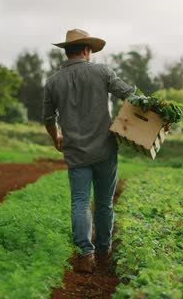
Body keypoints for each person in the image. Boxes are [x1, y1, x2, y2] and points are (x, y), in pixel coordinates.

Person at [43, 28, 135, 273]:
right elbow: (130, 96)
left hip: (75, 152)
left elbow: (48, 118)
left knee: (80, 202)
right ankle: (104, 251)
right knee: (104, 203)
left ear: (67, 51)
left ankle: (85, 255)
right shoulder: (102, 72)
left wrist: (56, 138)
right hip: (105, 149)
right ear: (87, 50)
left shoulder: (52, 81)